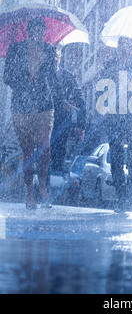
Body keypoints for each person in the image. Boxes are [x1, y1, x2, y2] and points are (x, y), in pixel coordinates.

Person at [3, 17, 66, 210]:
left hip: (44, 107)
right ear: (29, 32)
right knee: (28, 152)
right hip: (21, 108)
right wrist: (25, 76)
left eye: (40, 31)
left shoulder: (49, 50)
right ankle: (30, 191)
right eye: (34, 31)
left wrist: (53, 67)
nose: (37, 35)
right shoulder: (15, 49)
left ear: (43, 33)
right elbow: (7, 78)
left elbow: (53, 80)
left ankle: (43, 186)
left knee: (44, 147)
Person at [100, 36, 132, 211]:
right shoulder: (110, 66)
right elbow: (102, 88)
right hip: (115, 118)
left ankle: (129, 194)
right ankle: (121, 194)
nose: (124, 49)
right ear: (117, 48)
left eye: (128, 46)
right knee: (115, 157)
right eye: (121, 46)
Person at [50, 47, 86, 174]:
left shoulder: (69, 77)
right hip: (44, 118)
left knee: (59, 149)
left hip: (62, 120)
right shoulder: (43, 75)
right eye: (50, 58)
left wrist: (81, 125)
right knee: (45, 150)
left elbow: (81, 100)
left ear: (59, 58)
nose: (53, 61)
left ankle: (55, 174)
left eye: (55, 58)